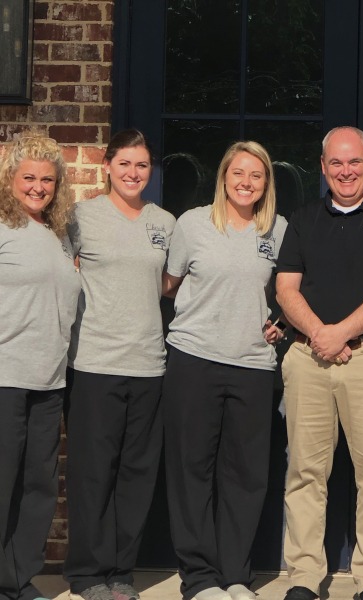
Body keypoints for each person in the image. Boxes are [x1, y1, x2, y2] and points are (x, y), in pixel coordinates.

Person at [275, 126, 363, 600]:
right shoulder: (303, 217)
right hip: (307, 358)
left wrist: (341, 333)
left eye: (354, 161)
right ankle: (303, 575)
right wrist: (320, 333)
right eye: (336, 162)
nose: (346, 171)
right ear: (322, 167)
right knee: (305, 473)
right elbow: (285, 289)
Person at [161, 140, 287, 600]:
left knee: (246, 474)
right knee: (192, 470)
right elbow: (168, 285)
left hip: (253, 365)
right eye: (238, 173)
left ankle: (235, 575)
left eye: (256, 175)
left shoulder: (279, 230)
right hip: (194, 360)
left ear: (266, 183)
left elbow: (291, 293)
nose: (246, 182)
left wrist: (282, 324)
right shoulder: (192, 224)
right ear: (223, 176)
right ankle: (199, 579)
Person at [63, 129, 176, 600]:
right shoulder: (79, 217)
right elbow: (57, 275)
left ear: (151, 171)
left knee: (135, 473)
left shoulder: (165, 222)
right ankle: (89, 574)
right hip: (94, 362)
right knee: (93, 472)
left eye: (142, 165)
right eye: (125, 163)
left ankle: (121, 572)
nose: (133, 173)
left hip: (149, 363)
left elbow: (172, 284)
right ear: (107, 165)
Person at [0, 133, 80, 600]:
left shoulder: (59, 233)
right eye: (28, 177)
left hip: (50, 380)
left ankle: (16, 579)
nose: (37, 187)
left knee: (37, 487)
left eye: (47, 179)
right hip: (5, 376)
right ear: (10, 178)